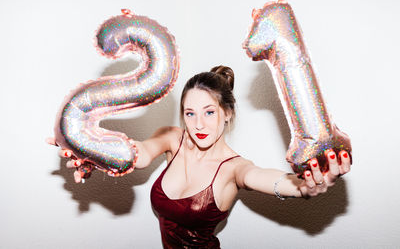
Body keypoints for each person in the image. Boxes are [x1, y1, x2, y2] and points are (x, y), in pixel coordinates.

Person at [49, 65, 351, 248]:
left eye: (209, 112)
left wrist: (304, 185)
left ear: (227, 113)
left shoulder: (234, 169)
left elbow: (269, 179)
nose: (199, 124)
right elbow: (138, 154)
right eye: (190, 113)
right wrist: (88, 148)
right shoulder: (172, 138)